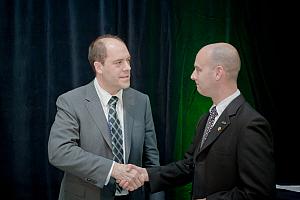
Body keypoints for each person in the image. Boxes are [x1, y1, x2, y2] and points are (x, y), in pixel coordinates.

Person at [120, 42, 275, 199]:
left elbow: (259, 192)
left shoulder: (250, 124)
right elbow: (190, 166)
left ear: (218, 73)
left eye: (198, 69)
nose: (192, 75)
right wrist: (146, 174)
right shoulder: (206, 119)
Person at [48, 34, 164, 200]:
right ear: (99, 67)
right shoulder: (71, 101)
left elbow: (152, 161)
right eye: (118, 63)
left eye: (128, 60)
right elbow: (59, 152)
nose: (128, 68)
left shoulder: (141, 101)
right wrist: (113, 169)